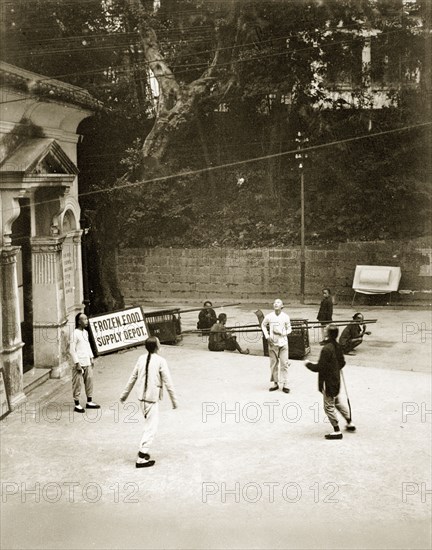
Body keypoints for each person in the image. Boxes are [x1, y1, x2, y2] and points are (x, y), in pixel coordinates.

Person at [120, 337, 178, 468]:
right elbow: (168, 382)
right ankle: (142, 456)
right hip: (151, 398)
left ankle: (143, 452)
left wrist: (124, 395)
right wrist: (174, 400)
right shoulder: (161, 361)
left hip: (141, 397)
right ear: (157, 346)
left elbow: (132, 377)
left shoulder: (141, 358)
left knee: (148, 425)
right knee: (151, 427)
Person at [305, 324, 356, 440]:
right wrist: (335, 367)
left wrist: (307, 364)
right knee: (336, 401)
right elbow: (342, 363)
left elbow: (319, 367)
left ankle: (337, 430)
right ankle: (349, 421)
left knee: (328, 406)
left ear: (327, 334)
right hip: (336, 380)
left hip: (327, 383)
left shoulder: (326, 349)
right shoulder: (337, 346)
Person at [70, 312, 100, 413]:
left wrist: (91, 358)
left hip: (87, 361)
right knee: (77, 384)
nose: (86, 321)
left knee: (89, 381)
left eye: (87, 319)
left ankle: (89, 401)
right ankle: (77, 404)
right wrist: (77, 363)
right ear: (79, 322)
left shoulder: (85, 333)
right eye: (84, 319)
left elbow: (87, 346)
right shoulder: (74, 334)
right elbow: (72, 350)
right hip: (79, 363)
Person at [261, 299, 292, 393]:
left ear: (282, 306)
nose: (275, 304)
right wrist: (267, 336)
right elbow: (263, 325)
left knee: (284, 364)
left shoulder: (286, 317)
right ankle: (275, 383)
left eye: (278, 302)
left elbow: (289, 329)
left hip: (283, 343)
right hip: (272, 344)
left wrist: (282, 333)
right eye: (274, 302)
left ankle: (285, 384)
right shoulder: (269, 316)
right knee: (273, 364)